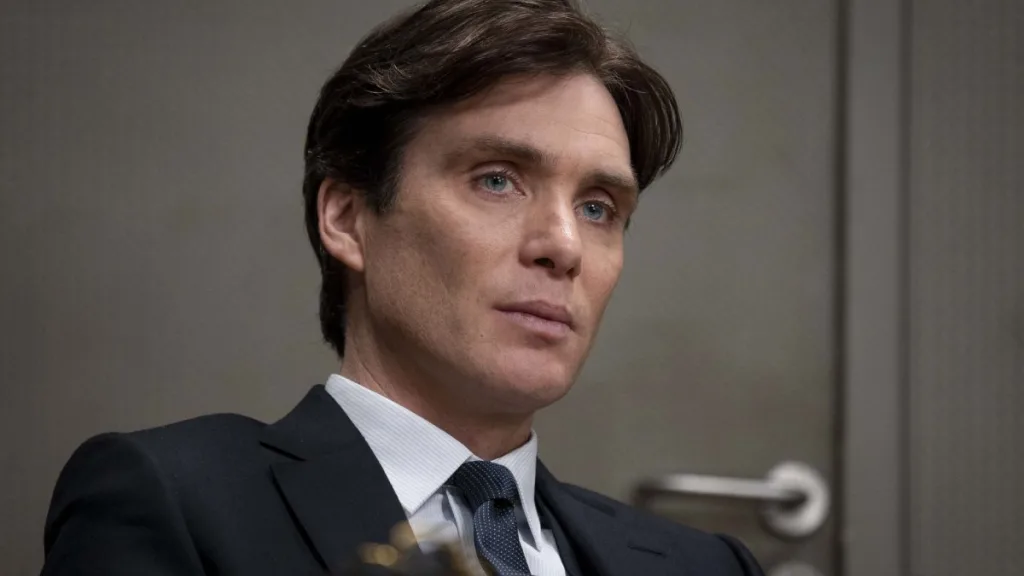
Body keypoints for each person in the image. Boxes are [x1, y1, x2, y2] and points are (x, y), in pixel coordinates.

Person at [41, 0, 764, 574]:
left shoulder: (705, 564)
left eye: (598, 208)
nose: (564, 246)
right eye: (497, 180)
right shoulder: (174, 499)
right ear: (348, 218)